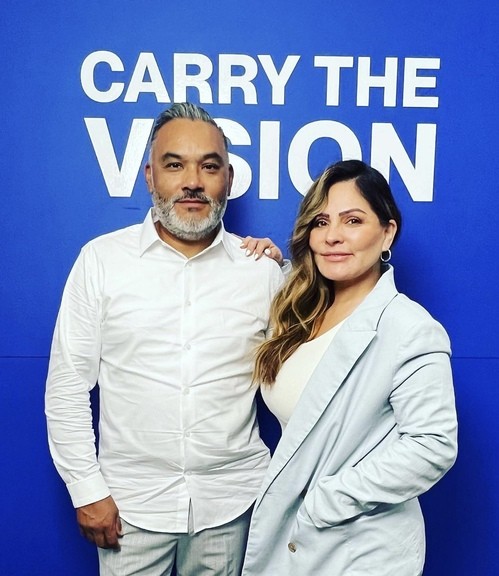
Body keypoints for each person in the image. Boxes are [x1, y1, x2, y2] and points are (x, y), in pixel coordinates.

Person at [45, 102, 287, 576]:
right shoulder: (101, 261)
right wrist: (86, 489)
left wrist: (287, 270)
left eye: (209, 167)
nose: (192, 181)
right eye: (175, 165)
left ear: (228, 179)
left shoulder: (261, 271)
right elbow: (67, 386)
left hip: (233, 504)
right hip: (129, 507)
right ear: (150, 176)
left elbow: (305, 366)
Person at [242, 159, 458, 576]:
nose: (333, 236)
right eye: (321, 222)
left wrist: (328, 498)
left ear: (387, 232)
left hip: (360, 544)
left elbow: (433, 444)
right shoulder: (296, 307)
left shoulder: (410, 328)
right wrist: (268, 259)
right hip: (294, 539)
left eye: (353, 220)